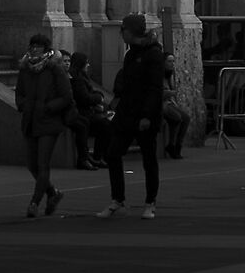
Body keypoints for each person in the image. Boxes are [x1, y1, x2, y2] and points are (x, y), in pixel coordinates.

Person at [98, 12, 165, 219]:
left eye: (123, 30)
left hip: (145, 115)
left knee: (148, 158)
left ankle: (150, 202)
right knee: (113, 153)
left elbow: (154, 88)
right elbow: (126, 82)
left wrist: (146, 115)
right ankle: (118, 199)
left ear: (131, 32)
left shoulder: (153, 54)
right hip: (127, 112)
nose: (121, 34)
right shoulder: (130, 55)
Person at [15, 32, 73, 219]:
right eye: (32, 46)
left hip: (49, 121)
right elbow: (20, 93)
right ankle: (53, 193)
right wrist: (24, 105)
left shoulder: (54, 69)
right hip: (31, 120)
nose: (34, 49)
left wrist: (49, 107)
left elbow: (66, 96)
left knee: (42, 163)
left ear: (46, 49)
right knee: (32, 164)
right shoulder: (25, 68)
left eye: (38, 46)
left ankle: (34, 202)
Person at [67, 52, 110, 169]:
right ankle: (94, 156)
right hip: (82, 112)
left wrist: (97, 98)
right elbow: (85, 98)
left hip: (87, 110)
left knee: (106, 122)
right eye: (86, 63)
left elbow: (92, 92)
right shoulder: (77, 79)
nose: (88, 65)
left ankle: (98, 156)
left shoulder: (83, 76)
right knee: (104, 124)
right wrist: (98, 99)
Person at [159, 62, 189, 161]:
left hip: (169, 102)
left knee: (185, 118)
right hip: (161, 103)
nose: (171, 64)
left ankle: (178, 145)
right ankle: (172, 144)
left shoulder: (169, 76)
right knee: (177, 117)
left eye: (173, 61)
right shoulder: (158, 75)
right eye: (169, 61)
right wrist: (170, 93)